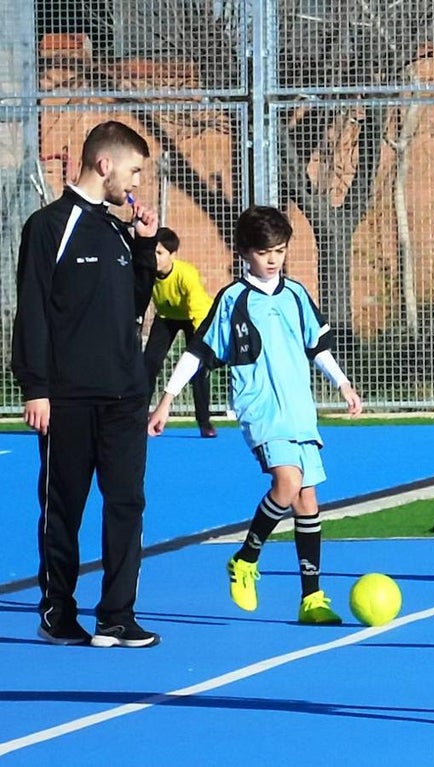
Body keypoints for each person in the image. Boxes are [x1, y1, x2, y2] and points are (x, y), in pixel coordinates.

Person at [147, 205, 362, 624]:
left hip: (300, 410)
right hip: (261, 409)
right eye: (264, 251)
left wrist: (343, 383)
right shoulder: (233, 299)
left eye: (279, 250)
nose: (272, 259)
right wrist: (167, 398)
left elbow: (317, 346)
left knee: (307, 501)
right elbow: (199, 351)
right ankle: (246, 559)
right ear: (245, 251)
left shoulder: (297, 294)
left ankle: (311, 598)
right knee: (288, 481)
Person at [10, 120, 162, 647]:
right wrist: (35, 386)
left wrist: (146, 251)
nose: (137, 183)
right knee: (63, 507)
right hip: (68, 397)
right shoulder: (49, 226)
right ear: (105, 164)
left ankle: (116, 616)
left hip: (124, 396)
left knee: (126, 503)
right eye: (134, 170)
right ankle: (57, 612)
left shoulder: (119, 229)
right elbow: (31, 310)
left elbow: (131, 308)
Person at [144, 226, 217, 437]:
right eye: (152, 252)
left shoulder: (186, 274)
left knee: (198, 370)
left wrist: (200, 346)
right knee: (148, 365)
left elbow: (197, 312)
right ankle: (138, 418)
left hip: (195, 318)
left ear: (172, 255)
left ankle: (205, 423)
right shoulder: (146, 272)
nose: (154, 258)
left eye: (159, 253)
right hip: (166, 317)